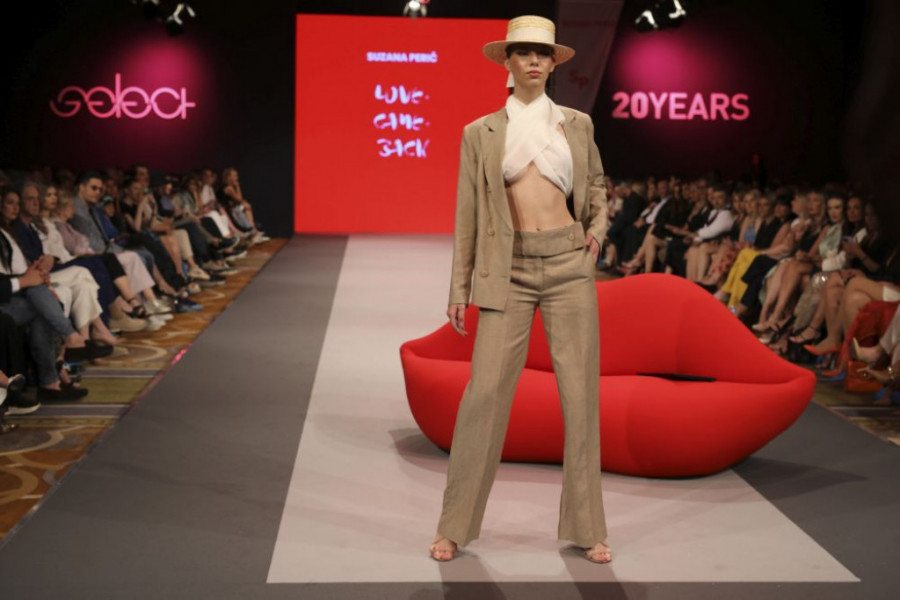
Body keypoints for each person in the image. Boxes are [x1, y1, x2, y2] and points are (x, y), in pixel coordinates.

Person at [430, 16, 611, 565]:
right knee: (484, 395)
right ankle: (454, 525)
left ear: (553, 63)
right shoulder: (480, 132)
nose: (534, 60)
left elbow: (596, 184)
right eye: (523, 52)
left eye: (542, 53)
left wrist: (598, 230)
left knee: (580, 397)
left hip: (568, 265)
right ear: (507, 62)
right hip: (504, 269)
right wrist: (459, 286)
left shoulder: (577, 124)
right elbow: (467, 213)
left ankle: (588, 527)